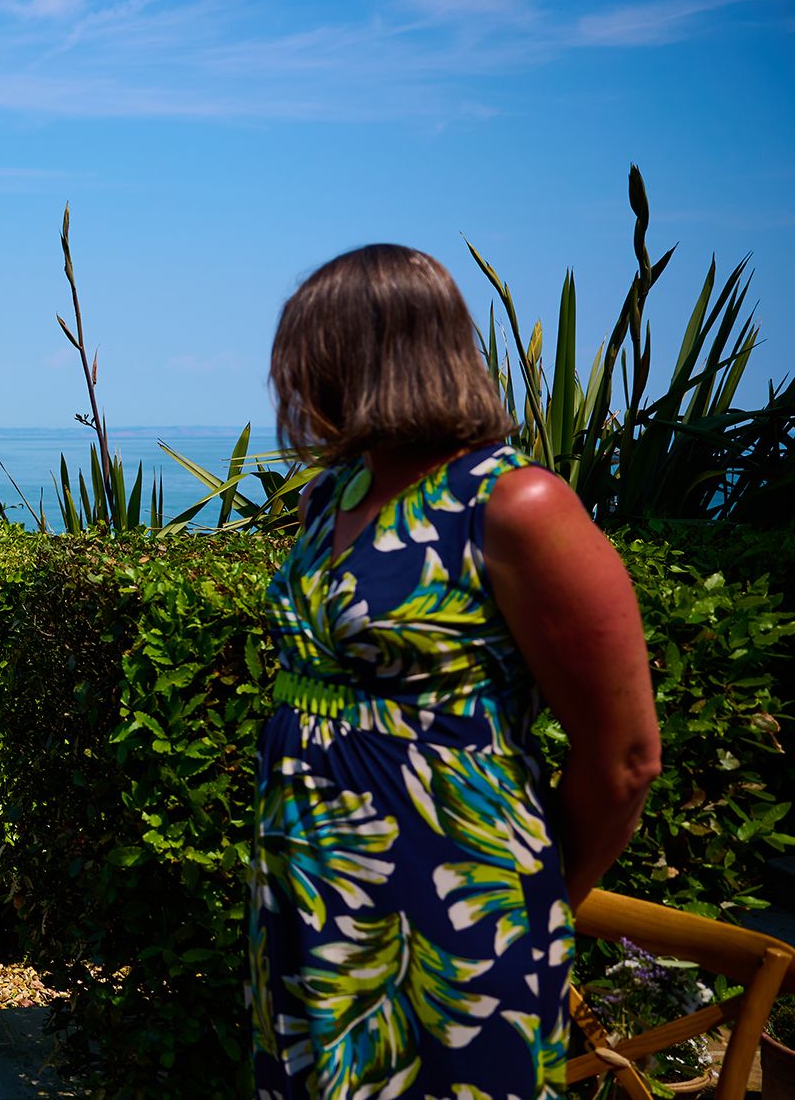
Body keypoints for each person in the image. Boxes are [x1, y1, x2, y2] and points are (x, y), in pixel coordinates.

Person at [249, 244, 662, 1096]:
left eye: (311, 355)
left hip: (455, 903)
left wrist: (532, 895)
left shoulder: (513, 503)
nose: (296, 382)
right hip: (309, 895)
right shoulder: (329, 497)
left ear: (379, 358)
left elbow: (625, 758)